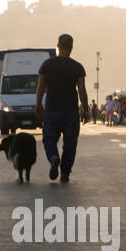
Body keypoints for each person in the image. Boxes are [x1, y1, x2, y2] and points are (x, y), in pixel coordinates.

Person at [35, 34, 88, 183]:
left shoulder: (47, 65)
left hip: (52, 110)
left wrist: (38, 105)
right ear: (71, 48)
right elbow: (82, 90)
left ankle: (53, 158)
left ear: (58, 46)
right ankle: (65, 173)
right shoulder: (77, 67)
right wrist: (85, 110)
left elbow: (40, 87)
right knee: (70, 143)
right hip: (71, 111)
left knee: (49, 138)